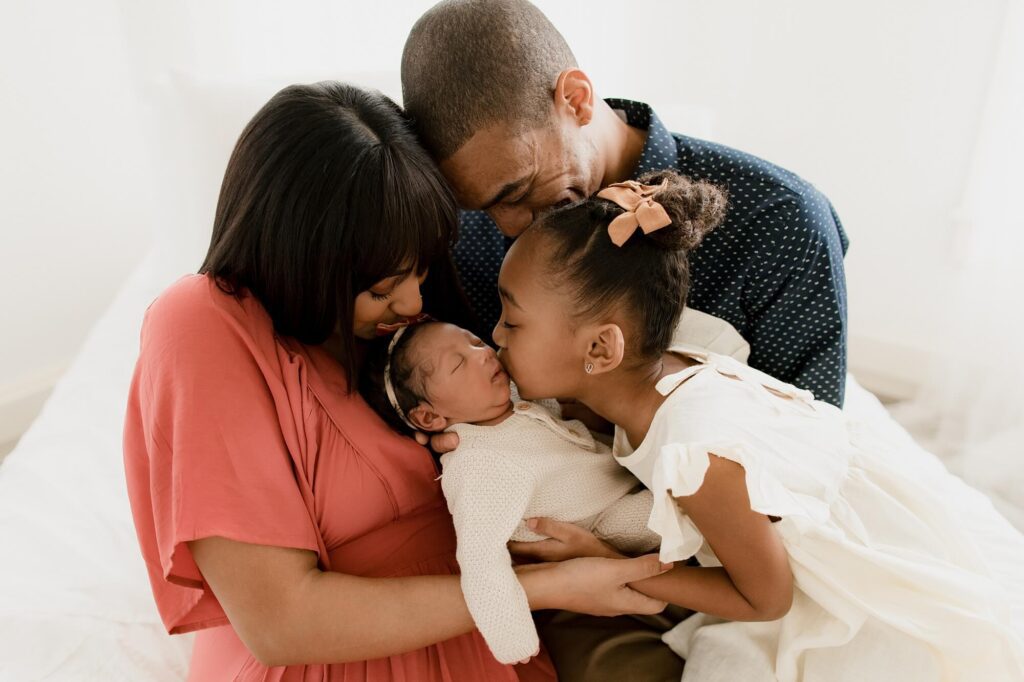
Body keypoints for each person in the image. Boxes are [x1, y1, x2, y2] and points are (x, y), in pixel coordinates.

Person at [121, 81, 672, 681]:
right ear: (301, 261)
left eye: (421, 269)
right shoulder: (203, 322)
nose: (413, 302)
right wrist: (547, 585)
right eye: (381, 288)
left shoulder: (414, 332)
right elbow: (281, 623)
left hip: (494, 642)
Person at [495, 170, 1024, 681]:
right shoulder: (672, 361)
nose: (494, 334)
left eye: (511, 321)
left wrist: (613, 563)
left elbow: (767, 599)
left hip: (845, 593)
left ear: (600, 348)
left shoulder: (694, 454)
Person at [401, 0, 850, 409]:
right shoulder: (463, 237)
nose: (509, 226)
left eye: (516, 190)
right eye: (480, 208)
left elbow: (809, 440)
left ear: (576, 100)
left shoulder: (780, 223)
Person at [358, 319, 659, 665]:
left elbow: (551, 393)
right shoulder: (479, 468)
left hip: (610, 470)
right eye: (459, 364)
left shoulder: (507, 396)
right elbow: (480, 558)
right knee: (667, 512)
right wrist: (513, 639)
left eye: (473, 341)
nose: (482, 354)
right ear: (428, 418)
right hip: (599, 521)